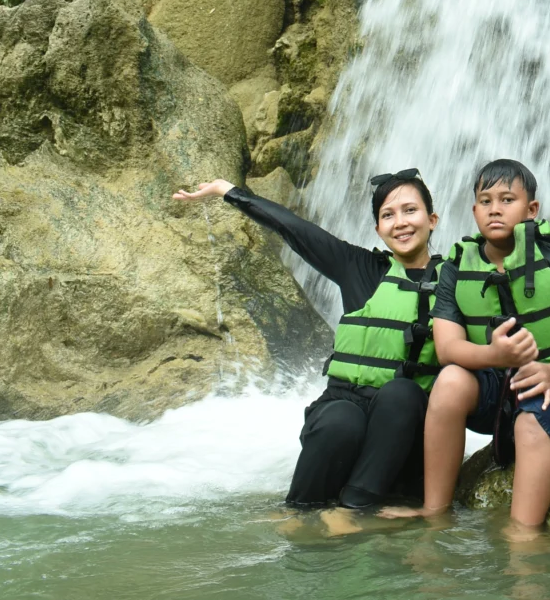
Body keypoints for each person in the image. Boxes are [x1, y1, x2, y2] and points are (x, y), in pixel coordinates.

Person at [173, 169, 446, 530]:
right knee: (340, 421)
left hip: (403, 427)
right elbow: (295, 230)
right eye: (388, 215)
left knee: (402, 393)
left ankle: (351, 510)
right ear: (378, 229)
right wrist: (227, 191)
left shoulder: (455, 280)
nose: (400, 223)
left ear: (432, 218)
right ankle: (299, 511)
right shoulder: (359, 267)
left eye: (410, 210)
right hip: (343, 404)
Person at [382, 159, 550, 527]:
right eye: (485, 202)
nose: (495, 210)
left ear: (531, 210)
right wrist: (494, 354)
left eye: (507, 200)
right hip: (497, 389)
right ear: (474, 211)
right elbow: (447, 348)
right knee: (451, 380)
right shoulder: (456, 270)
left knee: (529, 424)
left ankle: (523, 536)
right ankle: (434, 510)